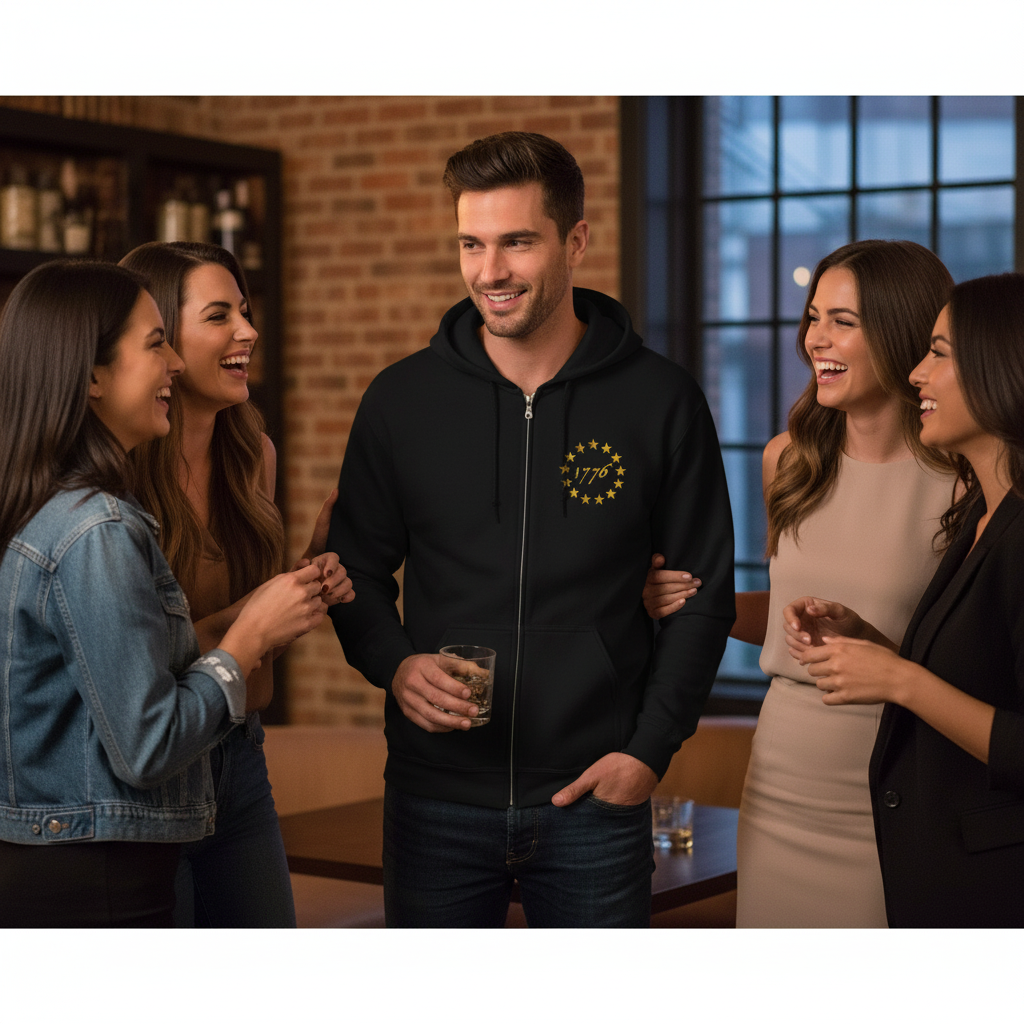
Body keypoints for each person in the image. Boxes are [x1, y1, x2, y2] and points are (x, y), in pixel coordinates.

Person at [326, 131, 735, 927]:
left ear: (576, 240)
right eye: (471, 244)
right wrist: (395, 665)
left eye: (517, 242)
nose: (490, 272)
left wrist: (647, 753)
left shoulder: (661, 400)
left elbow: (704, 597)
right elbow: (354, 570)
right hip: (433, 799)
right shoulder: (400, 400)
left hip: (595, 799)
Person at [0, 260, 327, 927]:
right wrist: (248, 639)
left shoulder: (56, 509)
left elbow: (119, 664)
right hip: (107, 853)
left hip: (91, 837)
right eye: (157, 343)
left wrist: (277, 602)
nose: (174, 363)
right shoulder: (99, 525)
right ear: (91, 376)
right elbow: (147, 741)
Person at [644, 240, 956, 926]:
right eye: (813, 317)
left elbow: (967, 649)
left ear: (903, 330)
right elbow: (791, 616)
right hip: (783, 776)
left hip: (897, 785)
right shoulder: (788, 460)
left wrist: (873, 644)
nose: (815, 339)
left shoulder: (963, 481)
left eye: (842, 320)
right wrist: (698, 605)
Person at [118, 241, 353, 927]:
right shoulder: (117, 483)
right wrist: (258, 614)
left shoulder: (253, 453)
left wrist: (311, 574)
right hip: (150, 785)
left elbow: (255, 656)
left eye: (245, 312)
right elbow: (133, 677)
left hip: (241, 761)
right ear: (160, 339)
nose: (248, 331)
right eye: (219, 315)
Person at [788, 272, 1024, 926]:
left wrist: (900, 678)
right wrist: (872, 645)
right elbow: (981, 673)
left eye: (940, 353)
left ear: (1002, 365)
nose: (917, 374)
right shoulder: (980, 515)